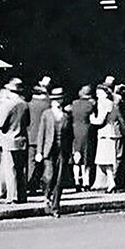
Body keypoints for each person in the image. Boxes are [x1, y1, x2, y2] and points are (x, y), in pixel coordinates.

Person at [34, 87, 72, 217]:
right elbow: (41, 133)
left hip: (62, 151)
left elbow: (70, 136)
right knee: (49, 176)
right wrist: (39, 151)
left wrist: (74, 152)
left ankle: (56, 207)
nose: (58, 102)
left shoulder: (67, 116)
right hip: (49, 150)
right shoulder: (47, 114)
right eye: (55, 100)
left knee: (59, 179)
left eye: (60, 99)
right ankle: (46, 193)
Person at [91, 82, 119, 194]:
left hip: (105, 134)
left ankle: (111, 183)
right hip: (110, 133)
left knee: (106, 160)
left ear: (105, 94)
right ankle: (107, 182)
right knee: (105, 160)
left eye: (100, 93)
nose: (97, 95)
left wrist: (92, 118)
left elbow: (100, 120)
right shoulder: (111, 103)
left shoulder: (104, 103)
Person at [69, 85, 95, 192]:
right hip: (86, 130)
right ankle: (86, 182)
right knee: (86, 157)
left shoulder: (73, 104)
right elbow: (93, 118)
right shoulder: (91, 104)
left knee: (76, 156)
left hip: (75, 130)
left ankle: (76, 181)